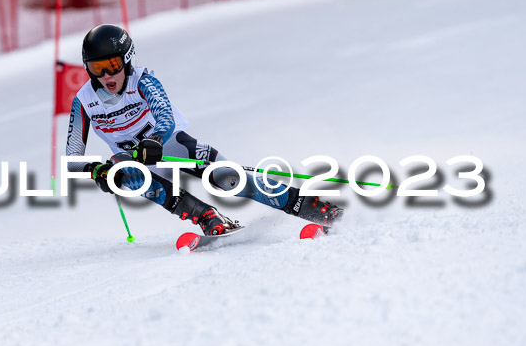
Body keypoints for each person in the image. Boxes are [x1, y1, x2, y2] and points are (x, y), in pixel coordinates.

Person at [65, 24, 343, 237]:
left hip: (172, 145)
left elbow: (165, 117)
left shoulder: (144, 81)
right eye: (96, 68)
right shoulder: (83, 101)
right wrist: (94, 170)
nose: (106, 76)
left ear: (126, 59)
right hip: (137, 161)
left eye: (112, 65)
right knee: (123, 173)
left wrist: (154, 140)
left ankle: (315, 208)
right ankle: (208, 217)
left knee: (230, 181)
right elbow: (73, 159)